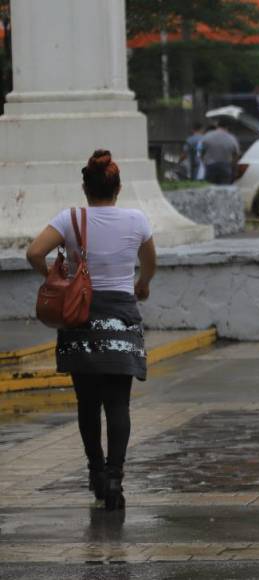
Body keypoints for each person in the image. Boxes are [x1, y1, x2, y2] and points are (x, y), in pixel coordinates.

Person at [25, 149, 157, 511]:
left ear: (85, 187)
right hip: (121, 317)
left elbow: (35, 252)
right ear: (119, 188)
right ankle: (115, 479)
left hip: (80, 316)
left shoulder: (71, 219)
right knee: (118, 403)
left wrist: (60, 280)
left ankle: (96, 472)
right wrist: (141, 284)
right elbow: (149, 265)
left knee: (88, 403)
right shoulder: (137, 221)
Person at [201, 120, 241, 185]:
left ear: (217, 125)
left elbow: (201, 151)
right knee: (224, 189)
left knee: (209, 189)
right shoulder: (232, 138)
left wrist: (204, 161)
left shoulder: (207, 136)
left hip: (210, 166)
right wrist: (234, 169)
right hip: (225, 167)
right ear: (227, 127)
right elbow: (236, 155)